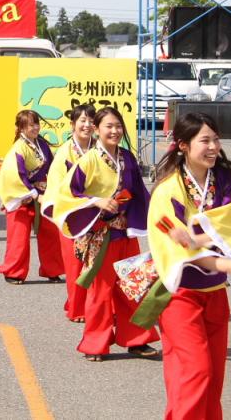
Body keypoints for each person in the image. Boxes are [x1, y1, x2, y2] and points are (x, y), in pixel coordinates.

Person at [148, 112, 231, 420]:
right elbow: (177, 251)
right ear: (183, 145)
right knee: (195, 372)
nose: (213, 147)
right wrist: (226, 263)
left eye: (216, 139)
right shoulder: (167, 191)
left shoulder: (226, 179)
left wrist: (199, 239)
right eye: (205, 141)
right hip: (179, 296)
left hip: (215, 291)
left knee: (211, 377)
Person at [52, 106, 159, 362]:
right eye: (109, 126)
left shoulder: (127, 158)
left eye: (118, 126)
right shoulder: (89, 160)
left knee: (132, 287)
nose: (115, 131)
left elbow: (140, 193)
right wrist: (95, 201)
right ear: (97, 129)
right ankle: (95, 343)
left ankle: (137, 339)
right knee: (100, 292)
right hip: (102, 235)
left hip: (125, 233)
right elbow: (66, 193)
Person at [0, 109, 65, 284]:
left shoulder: (42, 145)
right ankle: (14, 272)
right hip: (21, 196)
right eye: (30, 125)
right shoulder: (18, 149)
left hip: (42, 193)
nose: (35, 128)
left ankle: (52, 269)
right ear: (21, 128)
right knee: (19, 236)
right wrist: (33, 194)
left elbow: (53, 168)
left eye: (36, 124)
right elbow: (14, 175)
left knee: (51, 232)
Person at [45, 104, 96, 322]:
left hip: (97, 213)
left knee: (96, 264)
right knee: (75, 264)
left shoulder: (99, 148)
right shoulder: (65, 152)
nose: (87, 125)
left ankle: (93, 305)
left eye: (91, 121)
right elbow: (57, 187)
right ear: (72, 124)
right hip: (72, 214)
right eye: (82, 121)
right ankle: (77, 308)